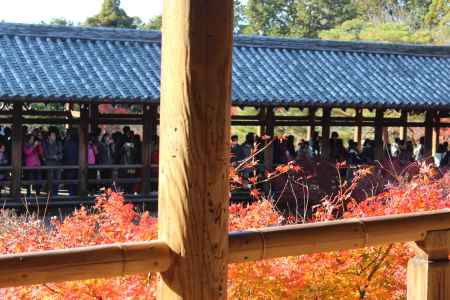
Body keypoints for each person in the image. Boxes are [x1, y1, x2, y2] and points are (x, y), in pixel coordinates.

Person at [43, 129, 63, 196]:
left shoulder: (58, 143)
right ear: (49, 136)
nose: (54, 137)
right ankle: (50, 194)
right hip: (49, 164)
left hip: (58, 164)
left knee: (57, 179)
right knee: (50, 179)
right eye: (52, 135)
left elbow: (61, 154)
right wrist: (53, 156)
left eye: (54, 135)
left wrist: (57, 157)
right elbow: (45, 154)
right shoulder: (45, 144)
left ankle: (55, 194)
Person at [63, 129, 79, 196]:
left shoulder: (67, 143)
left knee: (70, 181)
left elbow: (64, 153)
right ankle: (75, 195)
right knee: (76, 181)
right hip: (77, 164)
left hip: (68, 164)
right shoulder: (78, 143)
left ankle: (71, 195)